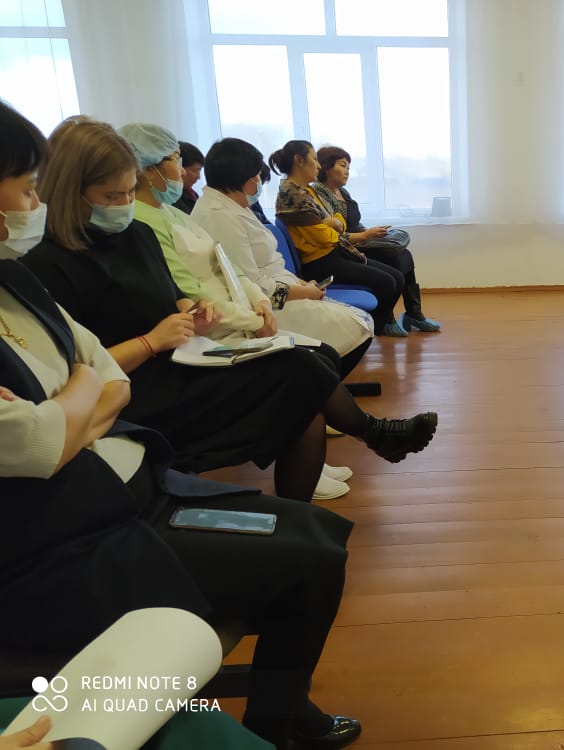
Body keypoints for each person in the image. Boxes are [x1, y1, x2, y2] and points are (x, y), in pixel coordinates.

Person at [0, 100, 360, 749]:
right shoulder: (38, 266)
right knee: (307, 555)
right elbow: (39, 439)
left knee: (324, 537)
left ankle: (280, 712)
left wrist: (73, 398)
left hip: (127, 472)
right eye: (27, 188)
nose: (33, 204)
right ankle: (278, 719)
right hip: (70, 531)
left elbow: (102, 375)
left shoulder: (14, 282)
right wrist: (84, 393)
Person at [22, 116, 438, 504]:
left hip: (184, 357)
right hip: (134, 386)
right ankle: (373, 435)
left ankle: (304, 508)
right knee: (302, 379)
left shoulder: (137, 236)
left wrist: (194, 311)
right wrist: (151, 341)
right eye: (112, 196)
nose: (125, 204)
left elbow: (177, 295)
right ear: (70, 190)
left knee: (302, 379)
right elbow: (70, 369)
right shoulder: (48, 263)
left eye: (130, 192)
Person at [120, 123, 373, 379]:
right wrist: (258, 315)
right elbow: (193, 289)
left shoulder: (174, 212)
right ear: (149, 168)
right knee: (338, 341)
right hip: (230, 318)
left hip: (254, 304)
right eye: (176, 159)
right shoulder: (200, 216)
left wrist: (263, 300)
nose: (182, 170)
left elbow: (231, 267)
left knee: (348, 333)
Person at [190, 138, 379, 369]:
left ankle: (325, 380)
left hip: (281, 288)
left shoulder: (234, 207)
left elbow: (270, 264)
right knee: (356, 326)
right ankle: (323, 382)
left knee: (358, 322)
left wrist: (302, 285)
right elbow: (251, 285)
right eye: (257, 176)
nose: (259, 182)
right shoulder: (219, 216)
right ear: (244, 178)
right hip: (265, 306)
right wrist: (303, 291)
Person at [270, 140, 408, 337]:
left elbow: (335, 220)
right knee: (388, 282)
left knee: (397, 277)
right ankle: (368, 330)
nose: (318, 166)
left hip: (333, 254)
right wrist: (333, 223)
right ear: (299, 161)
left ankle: (371, 327)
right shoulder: (292, 196)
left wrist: (333, 222)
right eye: (314, 159)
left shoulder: (306, 191)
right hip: (319, 262)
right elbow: (326, 236)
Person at [314, 146, 441, 332]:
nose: (347, 171)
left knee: (405, 255)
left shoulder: (342, 192)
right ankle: (387, 319)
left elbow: (354, 222)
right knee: (394, 258)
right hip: (345, 248)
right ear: (326, 167)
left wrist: (371, 232)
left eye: (349, 167)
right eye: (342, 165)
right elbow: (334, 234)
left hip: (360, 240)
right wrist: (366, 236)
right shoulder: (319, 193)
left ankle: (414, 313)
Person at [172, 140, 203, 214]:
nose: (198, 177)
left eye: (199, 171)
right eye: (194, 171)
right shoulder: (172, 198)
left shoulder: (192, 194)